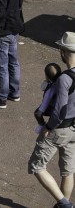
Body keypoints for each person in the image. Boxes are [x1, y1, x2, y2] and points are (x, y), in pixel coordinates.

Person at [28, 32, 75, 208]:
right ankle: (64, 204)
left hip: (60, 129)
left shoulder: (64, 78)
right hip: (74, 130)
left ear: (63, 52)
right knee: (67, 170)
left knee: (36, 165)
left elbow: (59, 111)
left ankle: (65, 204)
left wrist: (48, 126)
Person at [35, 63, 63, 131]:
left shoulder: (50, 89)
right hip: (64, 108)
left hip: (54, 109)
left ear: (46, 76)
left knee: (37, 113)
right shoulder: (64, 82)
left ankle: (42, 126)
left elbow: (44, 104)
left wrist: (40, 113)